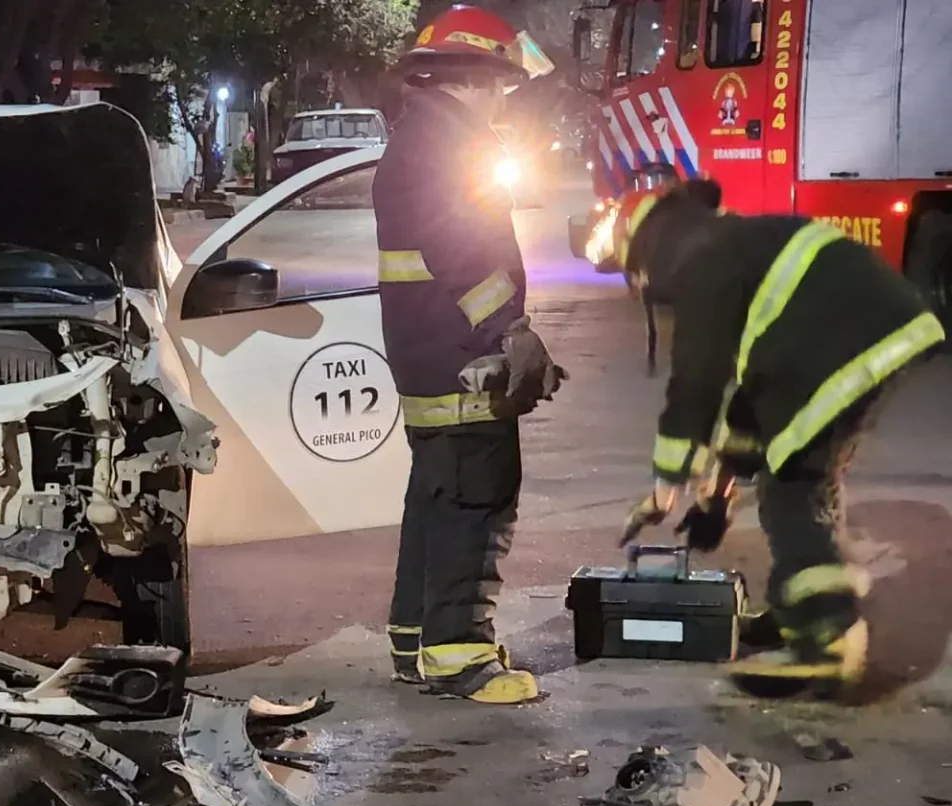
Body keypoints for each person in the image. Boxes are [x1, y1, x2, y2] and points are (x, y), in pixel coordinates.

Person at [617, 177, 946, 700]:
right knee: (804, 469)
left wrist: (666, 487)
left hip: (841, 341)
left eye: (636, 271)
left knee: (791, 488)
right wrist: (717, 494)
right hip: (875, 330)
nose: (642, 284)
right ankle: (800, 609)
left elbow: (697, 379)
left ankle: (827, 636)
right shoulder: (732, 244)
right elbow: (752, 399)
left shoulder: (702, 259)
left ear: (649, 244)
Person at [375, 5, 562, 704]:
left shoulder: (421, 136)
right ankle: (460, 655)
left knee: (437, 496)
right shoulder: (445, 145)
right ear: (474, 78)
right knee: (476, 497)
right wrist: (508, 332)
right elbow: (460, 253)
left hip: (433, 351)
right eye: (501, 85)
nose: (503, 99)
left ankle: (416, 642)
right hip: (462, 356)